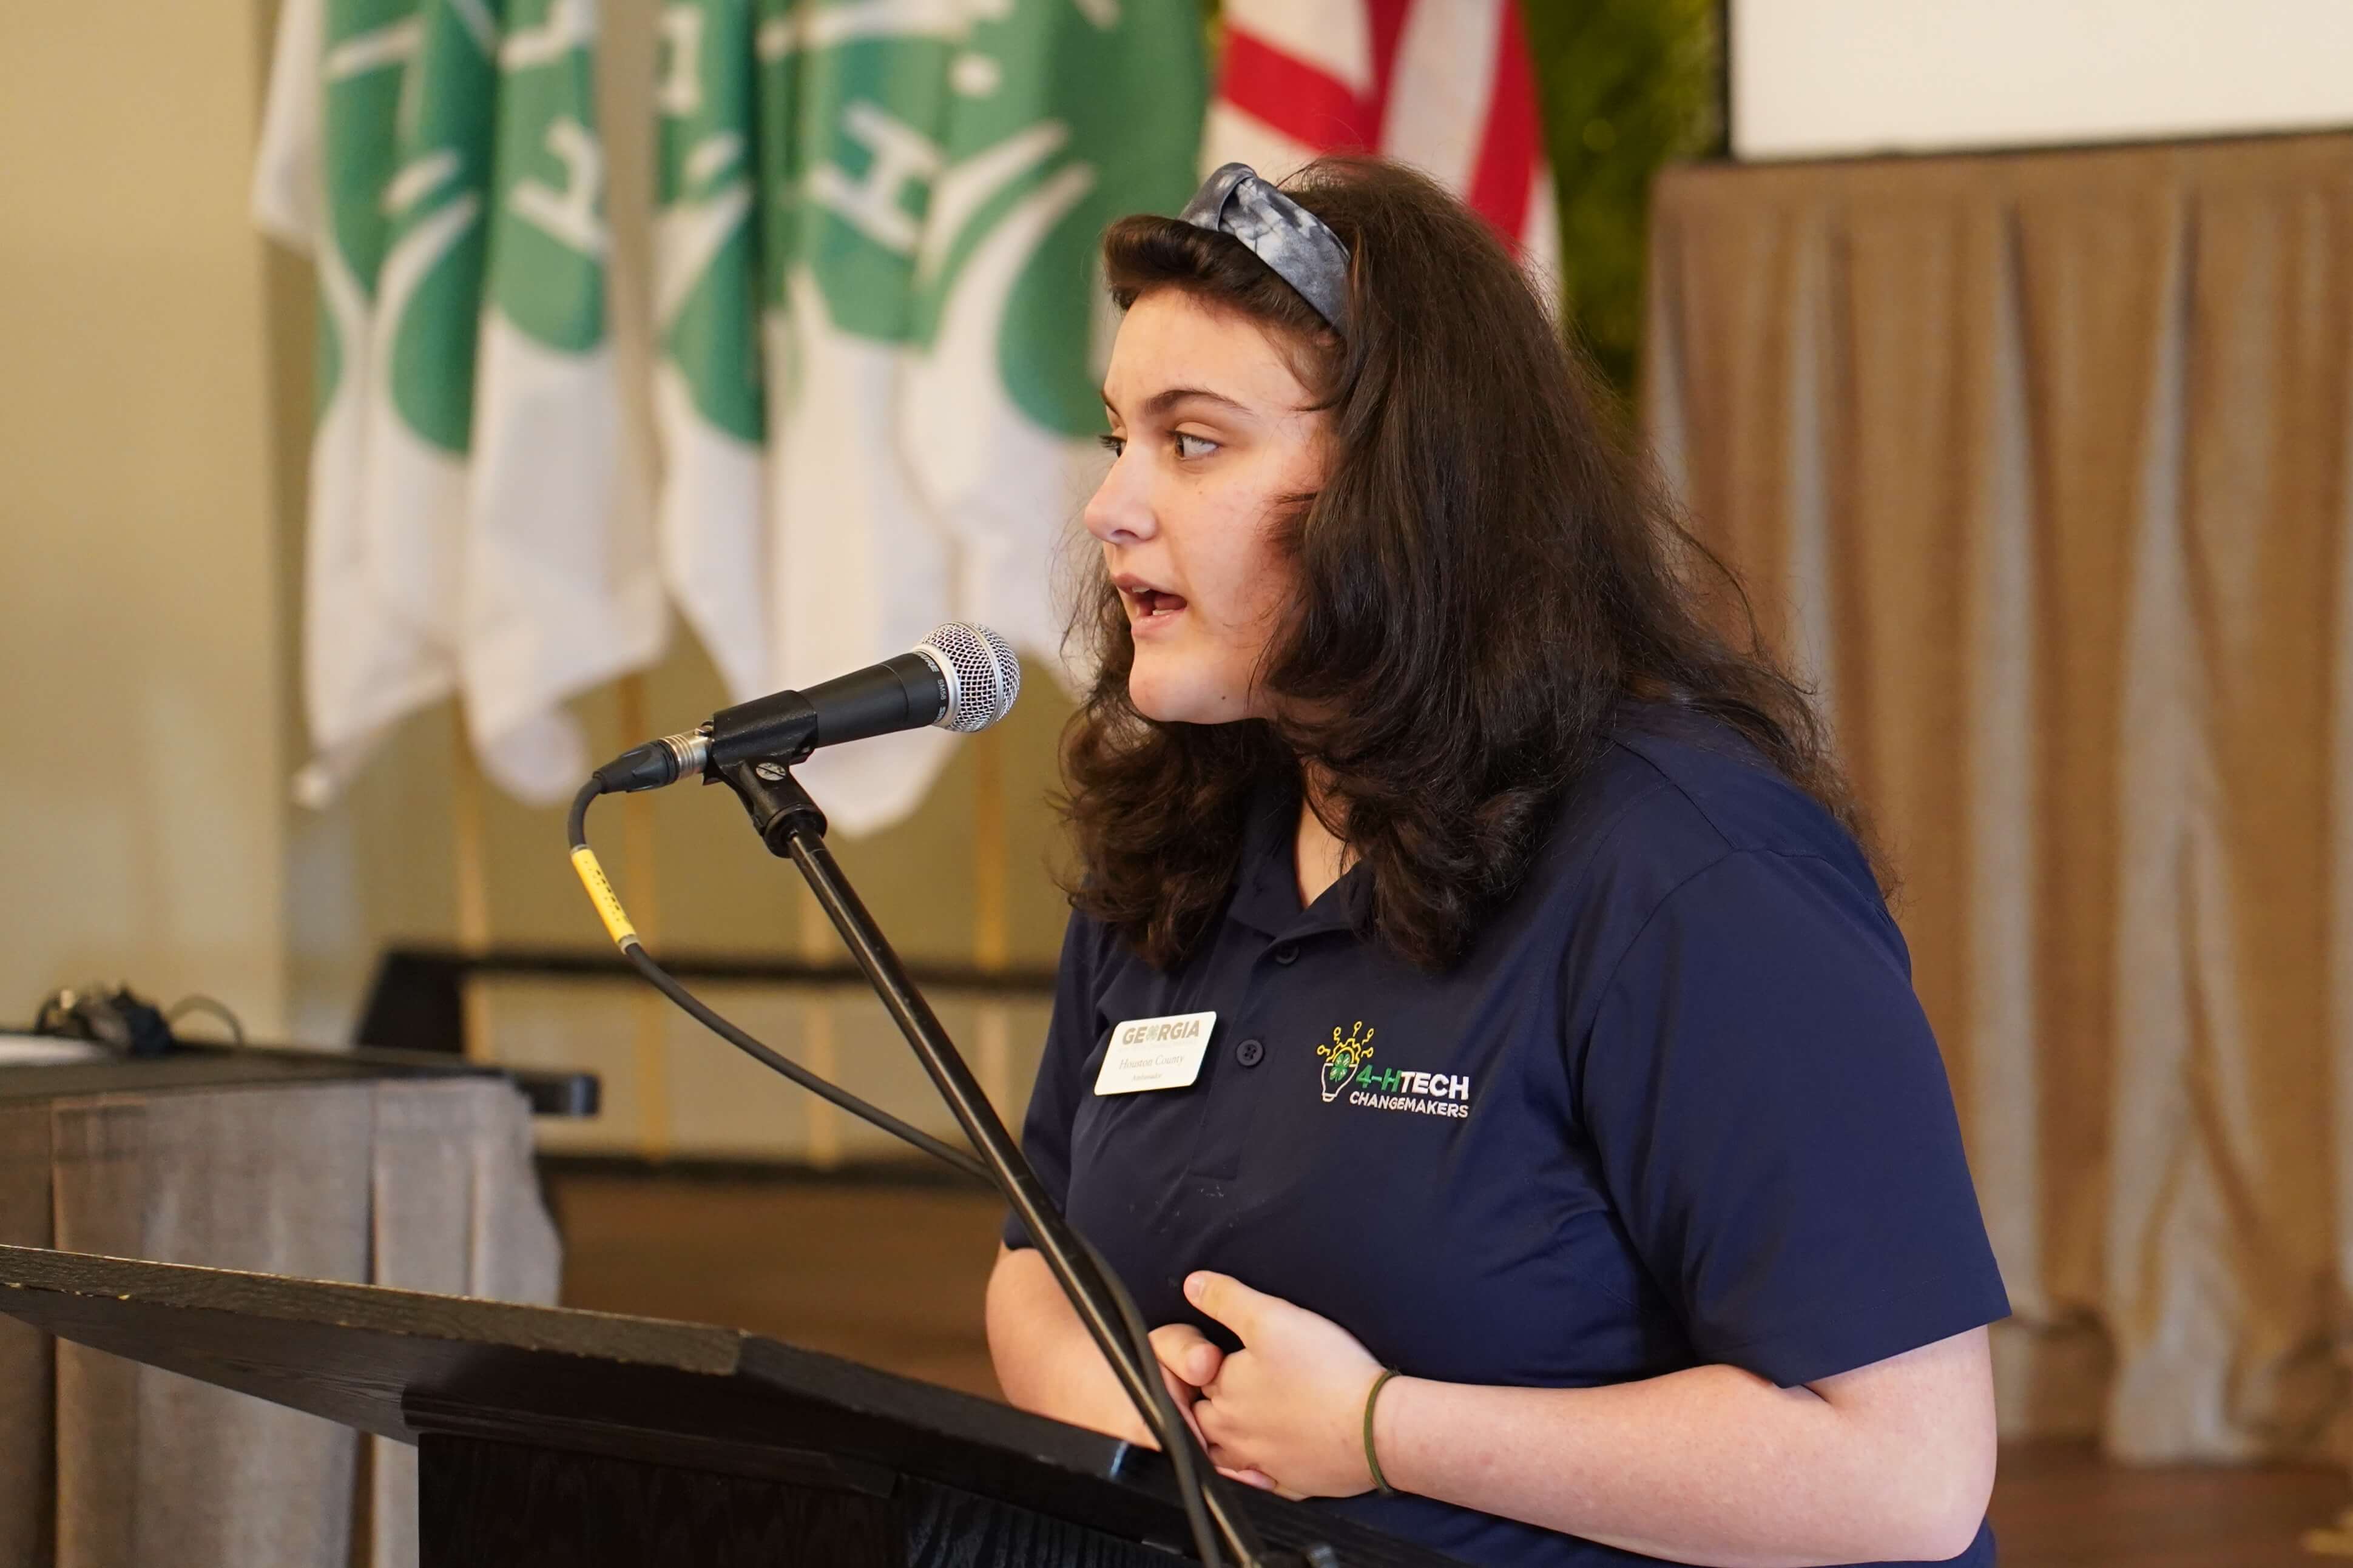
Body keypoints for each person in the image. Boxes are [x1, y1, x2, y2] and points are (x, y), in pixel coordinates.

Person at [984, 156, 2008, 1568]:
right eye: (1118, 437)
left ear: (1401, 491)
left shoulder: (1690, 866)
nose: (1110, 507)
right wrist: (1125, 1405)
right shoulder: (1185, 825)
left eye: (1194, 441)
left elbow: (1904, 1474)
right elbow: (1035, 1261)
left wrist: (1384, 1428)